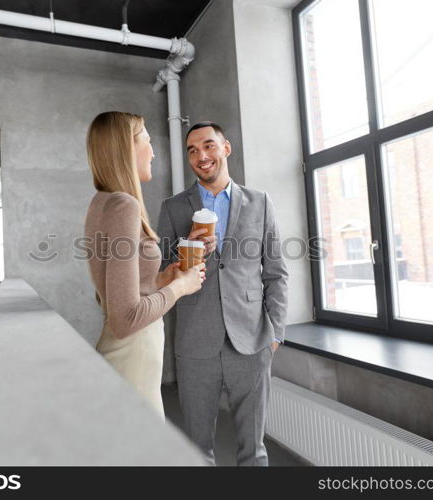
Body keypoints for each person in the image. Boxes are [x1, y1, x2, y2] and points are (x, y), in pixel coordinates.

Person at [157, 121, 288, 465]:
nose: (201, 156)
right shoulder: (173, 208)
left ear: (225, 148)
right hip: (195, 344)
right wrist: (189, 247)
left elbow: (276, 272)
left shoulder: (259, 202)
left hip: (252, 342)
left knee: (254, 451)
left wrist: (274, 333)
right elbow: (159, 273)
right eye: (192, 150)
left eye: (209, 145)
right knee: (197, 451)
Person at [84, 111, 205, 419]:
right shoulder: (125, 205)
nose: (153, 152)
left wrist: (162, 279)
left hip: (124, 357)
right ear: (127, 148)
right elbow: (125, 319)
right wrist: (180, 287)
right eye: (147, 142)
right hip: (132, 358)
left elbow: (115, 292)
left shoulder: (102, 202)